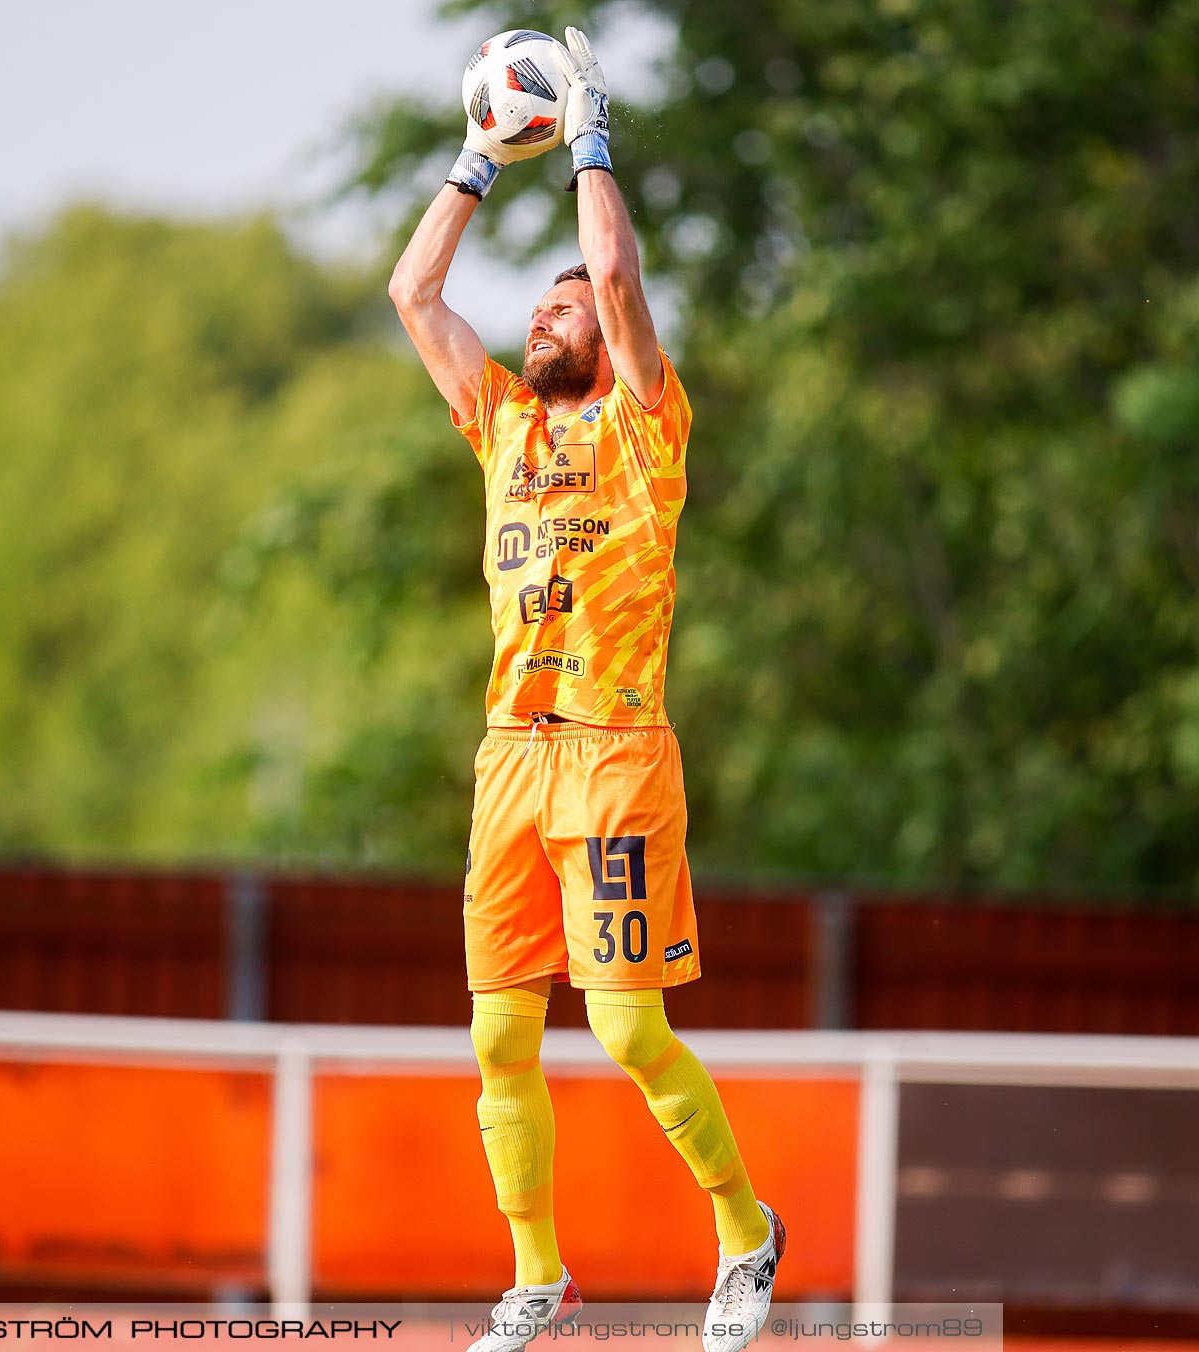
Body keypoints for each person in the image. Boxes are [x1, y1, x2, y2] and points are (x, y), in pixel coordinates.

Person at [386, 27, 785, 1352]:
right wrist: (475, 161)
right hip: (511, 758)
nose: (547, 316)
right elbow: (413, 296)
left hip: (613, 754)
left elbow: (613, 273)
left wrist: (589, 135)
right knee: (500, 1044)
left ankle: (744, 1233)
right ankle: (539, 1278)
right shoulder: (501, 422)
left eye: (565, 314)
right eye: (537, 311)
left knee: (624, 1030)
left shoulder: (642, 426)